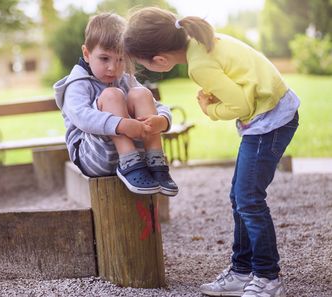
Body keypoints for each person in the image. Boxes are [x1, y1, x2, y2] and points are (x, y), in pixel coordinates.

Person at [124, 7, 299, 297]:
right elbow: (242, 81)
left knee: (249, 199)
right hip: (271, 112)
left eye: (144, 65)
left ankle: (268, 276)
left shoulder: (198, 65)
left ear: (160, 60)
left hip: (270, 121)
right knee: (240, 197)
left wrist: (210, 109)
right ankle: (242, 271)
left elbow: (241, 106)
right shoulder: (201, 41)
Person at [53, 13, 178, 197]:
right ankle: (129, 162)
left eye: (120, 59)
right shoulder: (77, 84)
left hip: (139, 157)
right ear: (87, 54)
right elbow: (82, 117)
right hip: (93, 156)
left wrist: (162, 120)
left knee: (141, 93)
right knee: (112, 95)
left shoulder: (125, 79)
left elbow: (156, 105)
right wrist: (121, 124)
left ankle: (156, 160)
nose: (113, 67)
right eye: (104, 59)